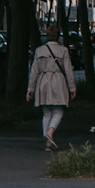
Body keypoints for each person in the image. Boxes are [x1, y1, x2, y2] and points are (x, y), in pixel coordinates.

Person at [27, 22, 76, 151]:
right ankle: (50, 132)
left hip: (43, 81)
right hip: (58, 80)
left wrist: (30, 89)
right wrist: (72, 88)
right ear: (58, 36)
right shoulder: (63, 50)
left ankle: (48, 142)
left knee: (46, 112)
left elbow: (34, 72)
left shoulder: (39, 50)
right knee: (58, 110)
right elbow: (68, 70)